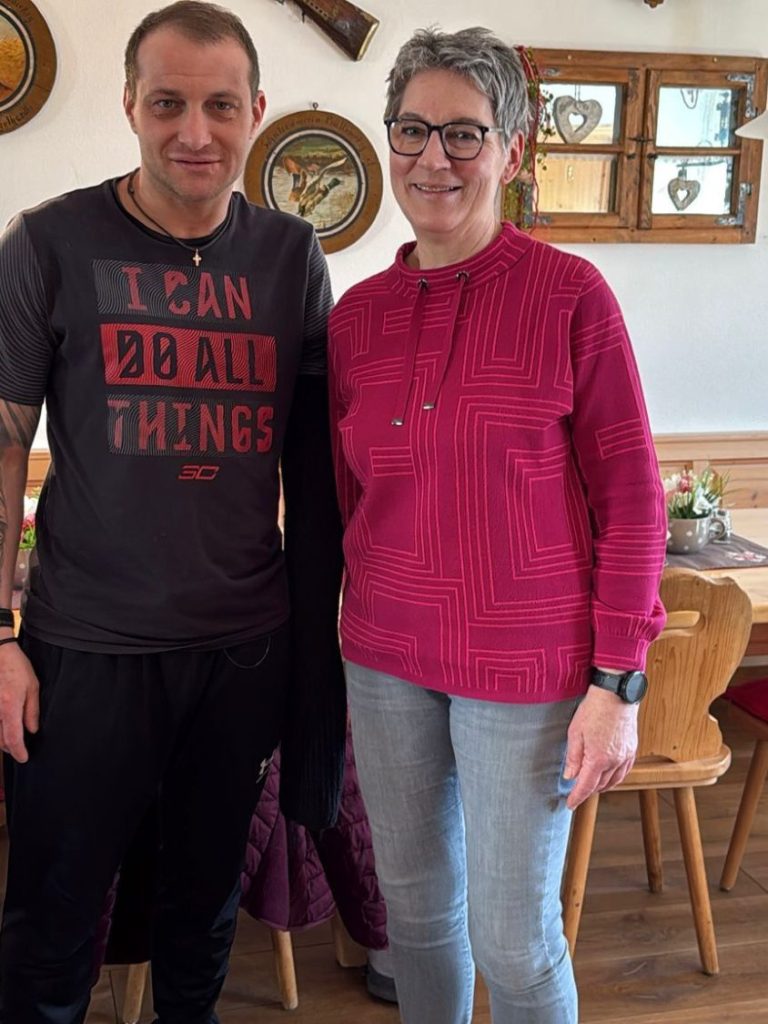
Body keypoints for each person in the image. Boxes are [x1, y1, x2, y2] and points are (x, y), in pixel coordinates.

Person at [0, 2, 346, 1021]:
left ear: (256, 112)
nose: (195, 132)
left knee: (203, 919)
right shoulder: (48, 242)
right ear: (129, 106)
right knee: (51, 922)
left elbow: (321, 464)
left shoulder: (293, 256)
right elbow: (5, 442)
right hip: (84, 649)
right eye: (167, 104)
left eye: (220, 106)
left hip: (241, 651)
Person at [328, 27, 668, 1024]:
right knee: (414, 913)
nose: (434, 157)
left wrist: (618, 681)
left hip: (526, 666)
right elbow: (348, 499)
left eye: (464, 133)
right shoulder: (355, 318)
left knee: (514, 939)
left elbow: (634, 499)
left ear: (512, 150)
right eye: (412, 129)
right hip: (383, 656)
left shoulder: (572, 297)